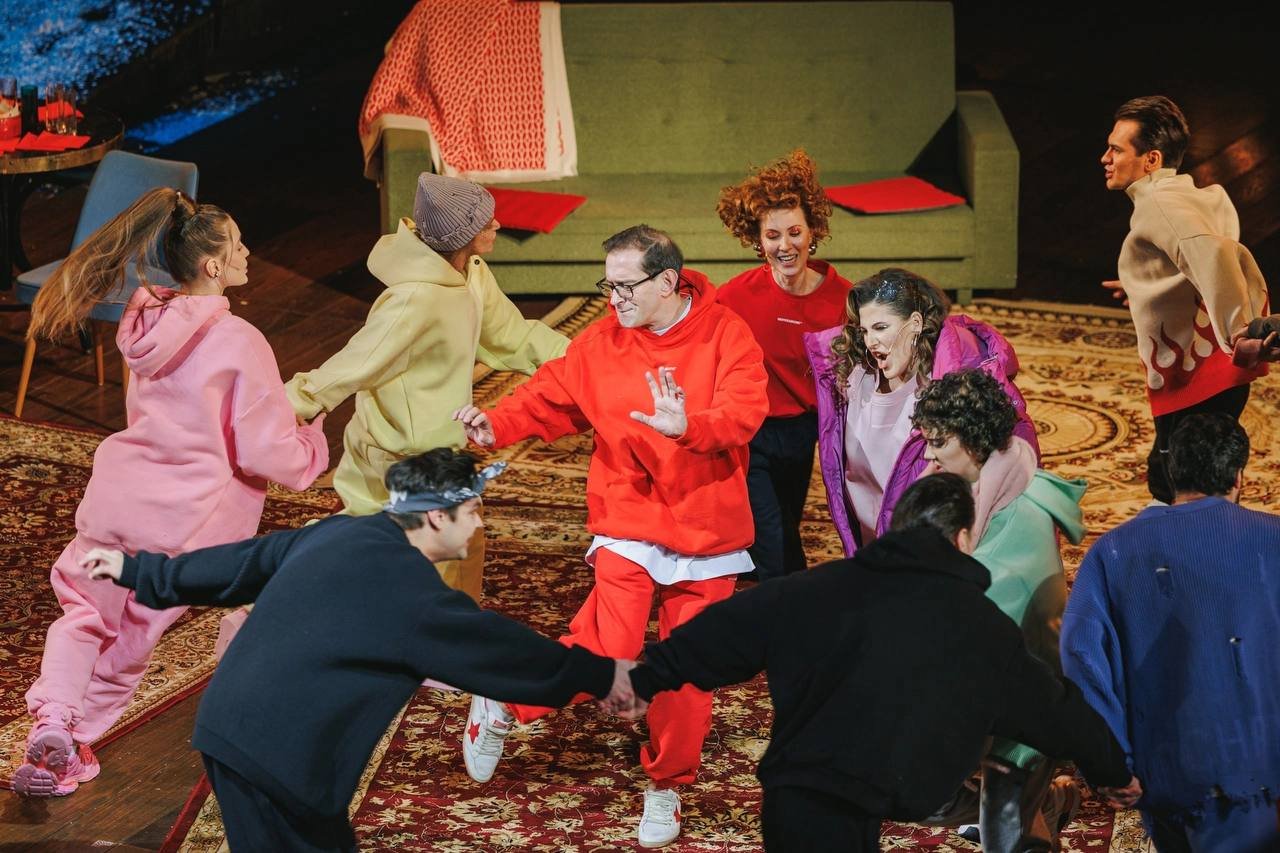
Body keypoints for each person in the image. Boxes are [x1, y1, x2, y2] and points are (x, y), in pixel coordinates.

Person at [78, 448, 634, 853]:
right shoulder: (409, 594)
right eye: (472, 511)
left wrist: (140, 572)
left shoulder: (341, 532)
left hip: (236, 729)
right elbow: (503, 652)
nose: (479, 522)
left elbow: (242, 564)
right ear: (437, 515)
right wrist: (605, 677)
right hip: (278, 755)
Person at [603, 473, 1140, 853]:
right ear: (962, 539)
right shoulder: (981, 627)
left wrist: (647, 679)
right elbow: (1055, 709)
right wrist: (1112, 773)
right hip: (891, 787)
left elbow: (720, 633)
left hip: (799, 792)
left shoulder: (814, 589)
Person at [452, 224, 768, 847]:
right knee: (609, 649)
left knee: (689, 669)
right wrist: (496, 424)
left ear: (668, 282)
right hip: (628, 515)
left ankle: (666, 786)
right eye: (609, 284)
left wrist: (689, 426)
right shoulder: (601, 342)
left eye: (626, 286)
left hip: (706, 525)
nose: (614, 298)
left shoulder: (727, 333)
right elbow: (550, 397)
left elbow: (744, 411)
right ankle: (505, 705)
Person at [12, 188, 329, 798]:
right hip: (182, 519)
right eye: (238, 245)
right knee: (132, 632)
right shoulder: (238, 339)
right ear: (213, 264)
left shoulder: (146, 323)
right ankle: (71, 742)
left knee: (83, 614)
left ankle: (52, 719)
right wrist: (311, 443)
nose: (247, 253)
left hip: (116, 496)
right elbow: (264, 450)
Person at [284, 172, 568, 601]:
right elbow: (355, 362)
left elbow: (512, 337)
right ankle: (278, 598)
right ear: (463, 235)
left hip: (426, 442)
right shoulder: (414, 299)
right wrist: (291, 404)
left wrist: (584, 358)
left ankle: (279, 598)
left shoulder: (472, 274)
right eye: (486, 221)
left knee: (395, 543)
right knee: (443, 544)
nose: (497, 225)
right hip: (399, 448)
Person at [1062, 413, 1280, 852]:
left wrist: (1111, 765)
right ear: (1239, 477)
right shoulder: (1272, 539)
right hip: (1261, 770)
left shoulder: (1113, 550)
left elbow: (1080, 656)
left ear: (1170, 471)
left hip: (1166, 770)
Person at [910, 369, 1088, 851]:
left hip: (1022, 712)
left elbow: (987, 643)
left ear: (973, 442)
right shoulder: (973, 489)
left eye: (937, 442)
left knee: (1004, 836)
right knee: (922, 794)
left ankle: (1038, 806)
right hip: (984, 693)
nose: (927, 456)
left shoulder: (1016, 524)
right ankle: (1048, 805)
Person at [1099, 95, 1269, 504]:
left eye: (1116, 150)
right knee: (1208, 478)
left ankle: (1194, 541)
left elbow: (1211, 254)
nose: (1105, 158)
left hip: (1200, 378)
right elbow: (1198, 254)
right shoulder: (1189, 194)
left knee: (1177, 483)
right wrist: (1149, 284)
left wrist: (1239, 333)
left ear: (1151, 159)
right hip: (1216, 375)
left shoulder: (1160, 204)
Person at [803, 267, 1037, 555]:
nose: (870, 342)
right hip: (874, 551)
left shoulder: (957, 389)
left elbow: (1009, 471)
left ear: (915, 323)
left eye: (881, 328)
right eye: (864, 331)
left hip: (931, 552)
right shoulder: (851, 377)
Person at [715, 149, 853, 580]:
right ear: (758, 241)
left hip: (805, 432)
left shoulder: (843, 300)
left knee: (784, 523)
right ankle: (791, 600)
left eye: (795, 232)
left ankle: (756, 575)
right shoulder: (733, 297)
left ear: (813, 232)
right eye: (773, 235)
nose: (785, 245)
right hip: (750, 430)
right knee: (776, 542)